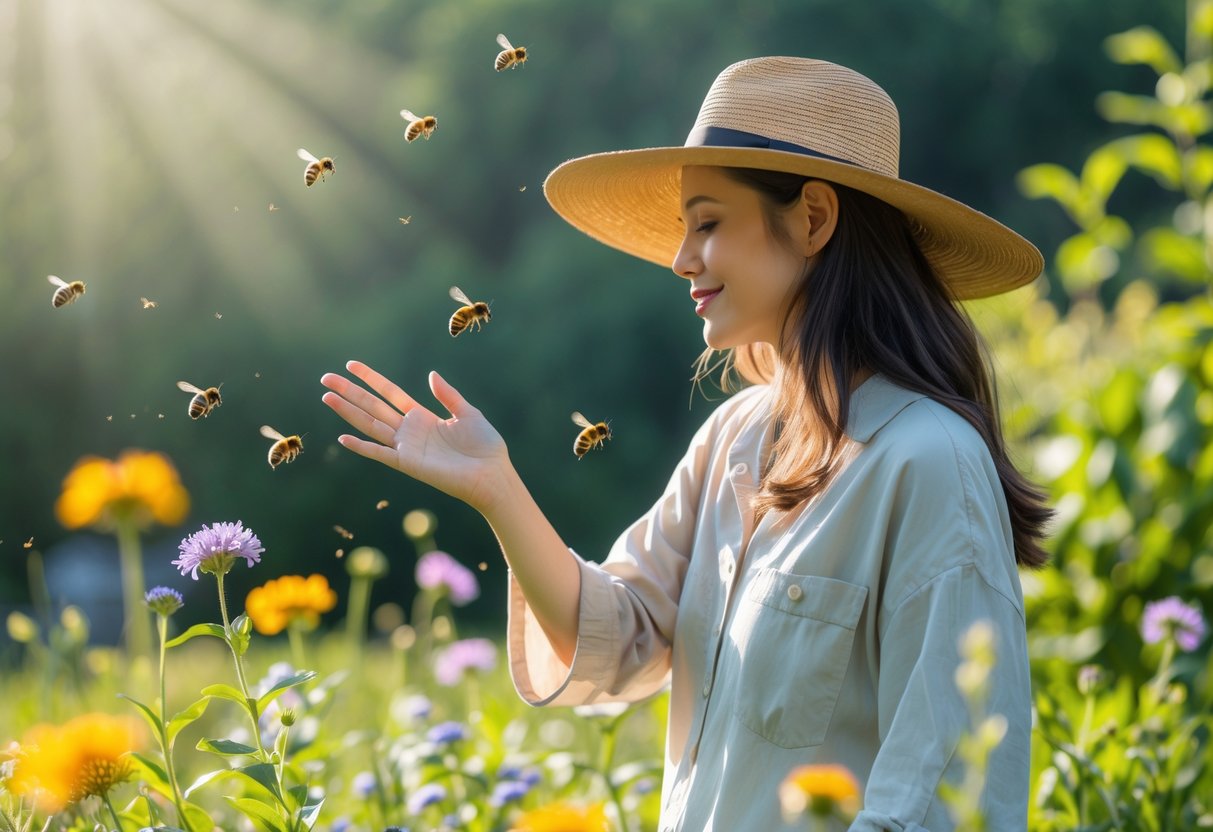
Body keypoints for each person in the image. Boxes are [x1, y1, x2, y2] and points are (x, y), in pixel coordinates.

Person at [320, 57, 1051, 831]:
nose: (680, 258)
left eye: (707, 223)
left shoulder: (928, 462)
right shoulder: (735, 439)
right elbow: (621, 635)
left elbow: (947, 785)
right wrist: (497, 489)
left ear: (812, 219)